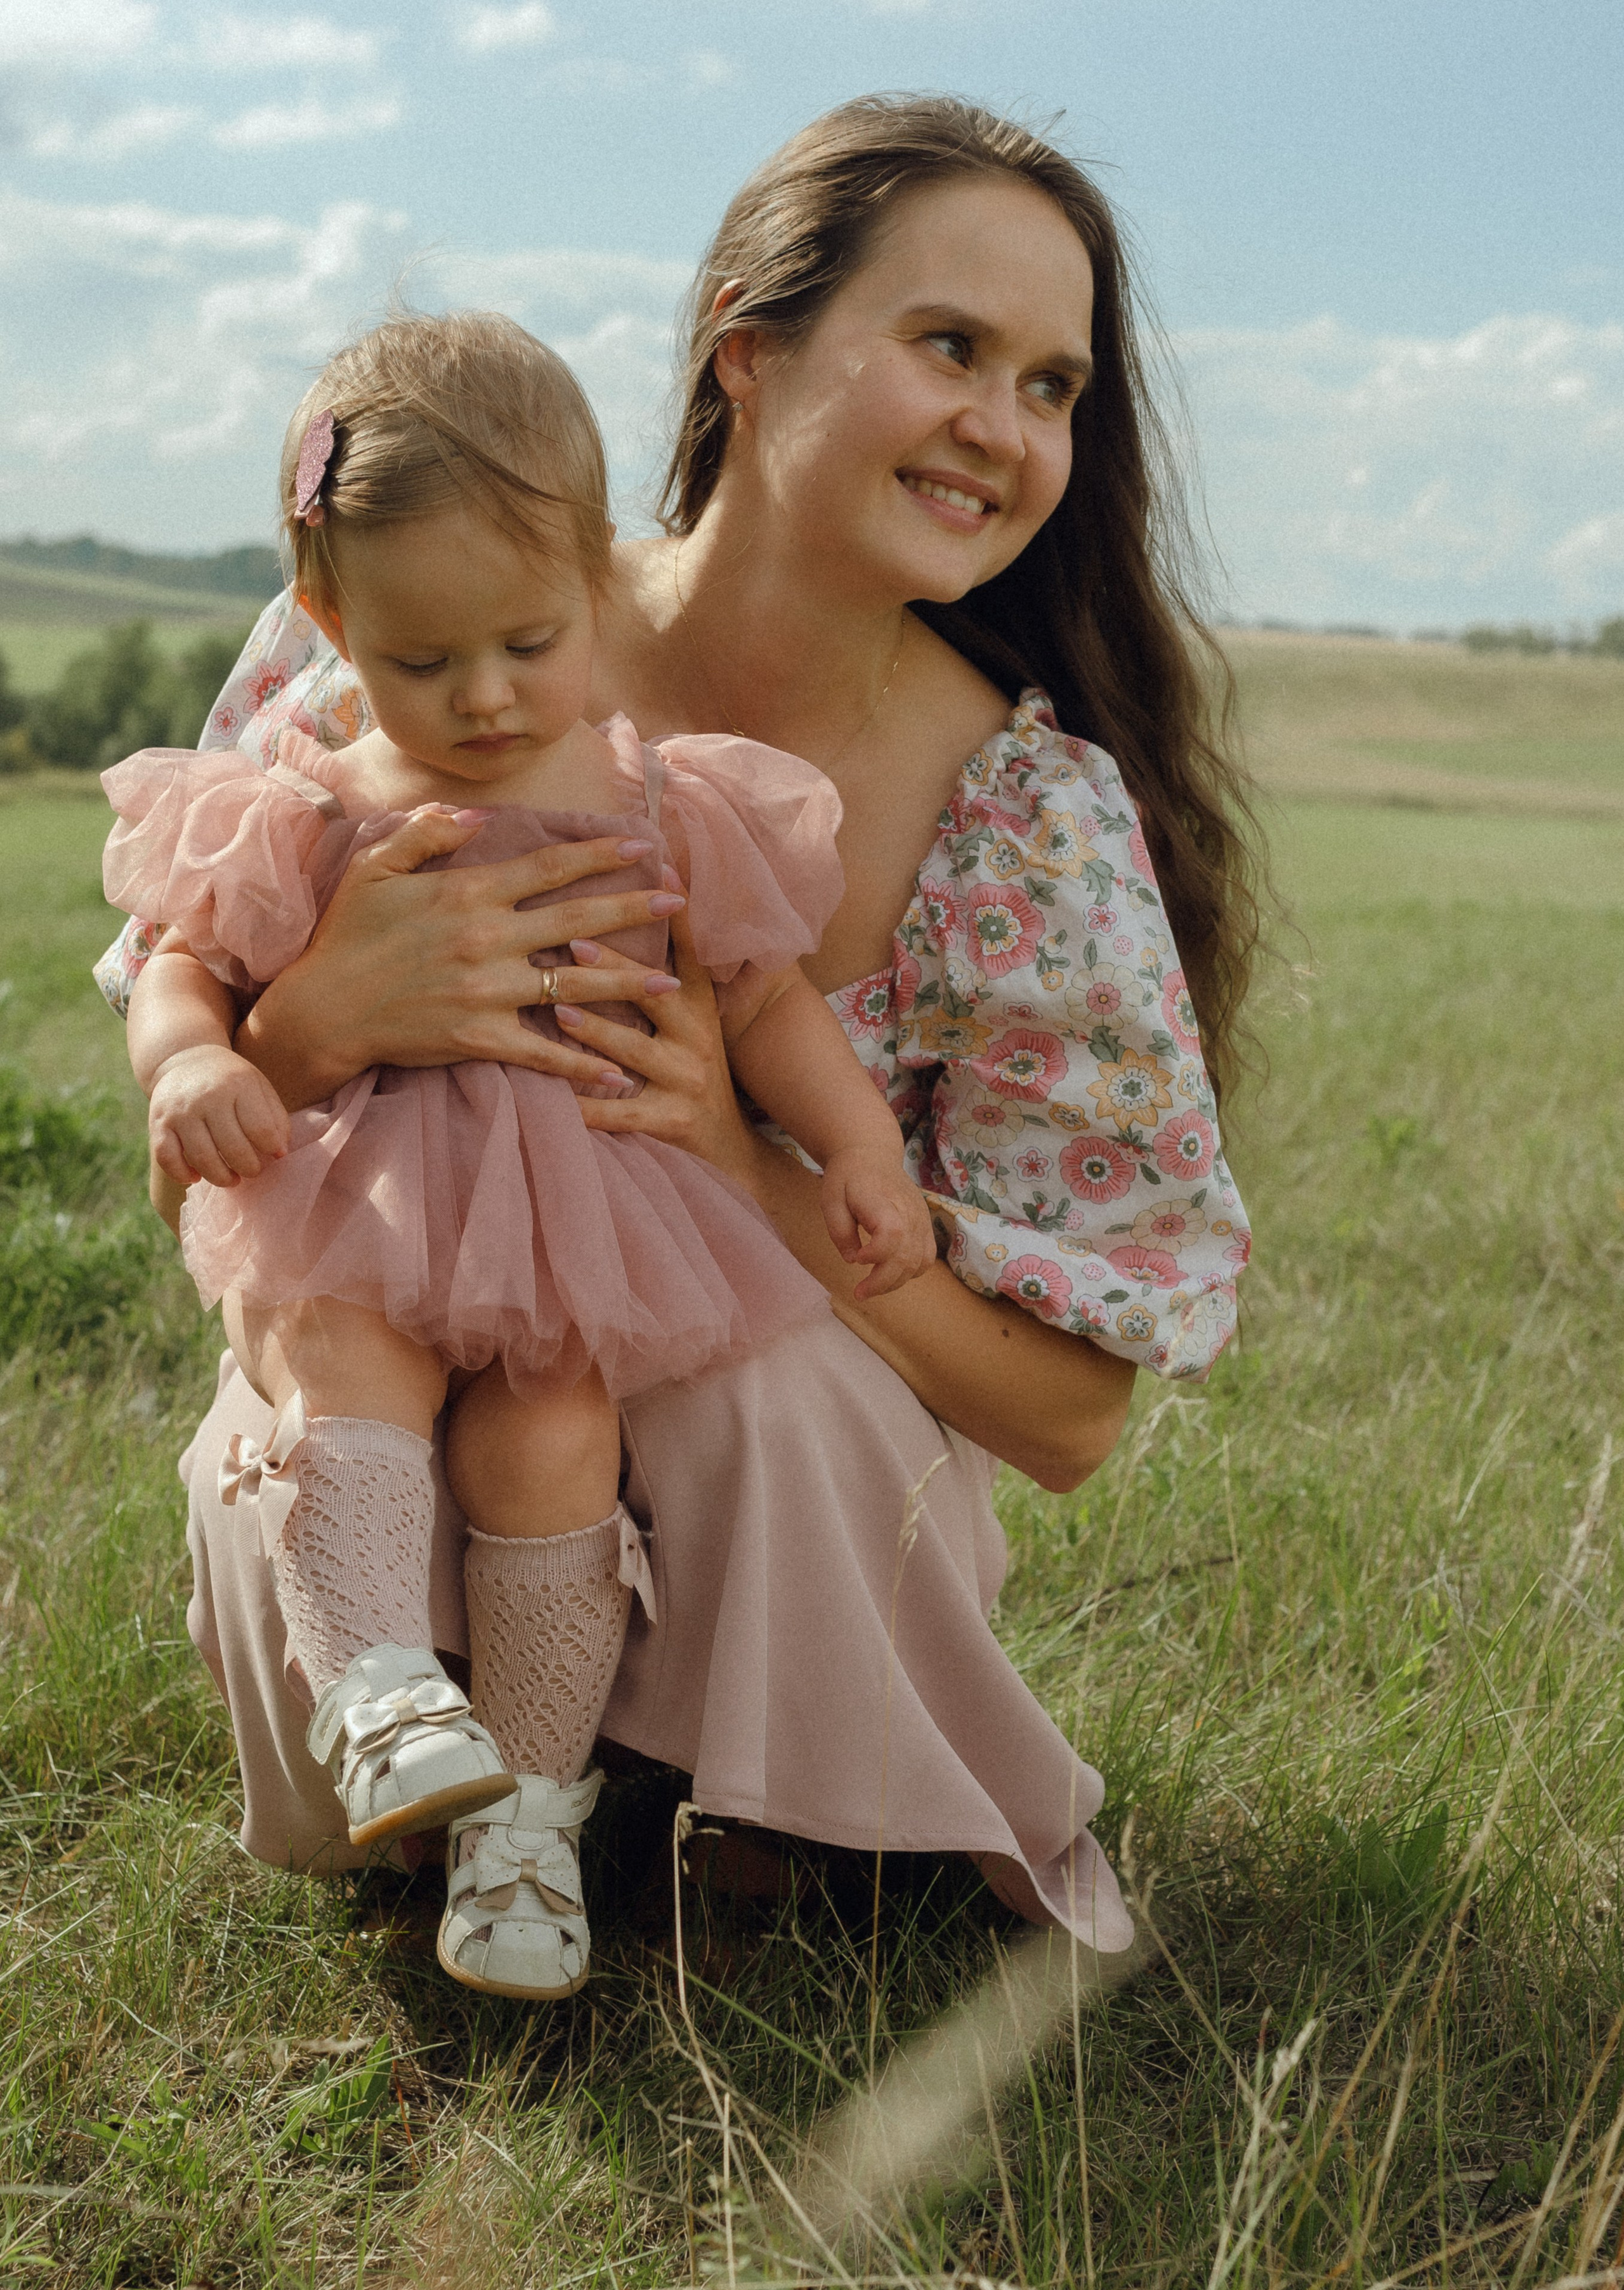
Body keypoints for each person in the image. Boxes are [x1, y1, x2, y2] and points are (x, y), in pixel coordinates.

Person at [96, 94, 1259, 1971]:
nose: (1004, 425)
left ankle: (755, 1779)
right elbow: (214, 1164)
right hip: (414, 1317)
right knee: (327, 1399)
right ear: (749, 341)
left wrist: (744, 1160)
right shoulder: (420, 606)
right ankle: (431, 1746)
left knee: (765, 1391)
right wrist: (312, 1025)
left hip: (740, 1392)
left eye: (1053, 385)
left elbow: (1068, 1418)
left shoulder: (1026, 818)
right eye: (950, 345)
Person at [102, 311, 934, 2001]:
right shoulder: (304, 796)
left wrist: (858, 1147)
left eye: (530, 641)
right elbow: (190, 958)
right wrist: (192, 1055)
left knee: (554, 1440)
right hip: (368, 1201)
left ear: (597, 583)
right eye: (424, 662)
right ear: (332, 624)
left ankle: (526, 1826)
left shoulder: (659, 799)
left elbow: (766, 1003)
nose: (484, 696)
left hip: (588, 1221)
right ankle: (379, 1693)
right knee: (347, 1369)